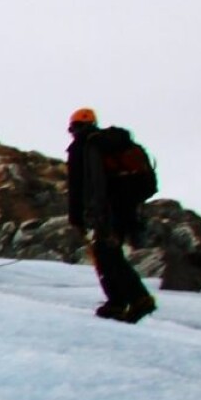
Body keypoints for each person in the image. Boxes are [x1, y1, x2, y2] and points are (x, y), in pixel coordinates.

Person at [65, 106, 160, 323]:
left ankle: (137, 299)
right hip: (126, 207)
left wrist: (79, 217)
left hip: (107, 210)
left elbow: (83, 186)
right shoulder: (109, 143)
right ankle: (118, 301)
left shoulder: (83, 148)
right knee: (107, 253)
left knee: (107, 254)